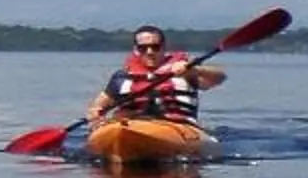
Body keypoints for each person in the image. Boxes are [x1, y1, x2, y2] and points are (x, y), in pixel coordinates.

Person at [86, 25, 224, 126]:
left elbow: (219, 78)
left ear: (164, 47)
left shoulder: (185, 72)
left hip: (178, 127)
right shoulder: (122, 77)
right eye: (143, 48)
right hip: (131, 125)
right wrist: (95, 113)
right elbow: (98, 105)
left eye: (155, 47)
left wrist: (195, 69)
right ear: (135, 50)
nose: (150, 52)